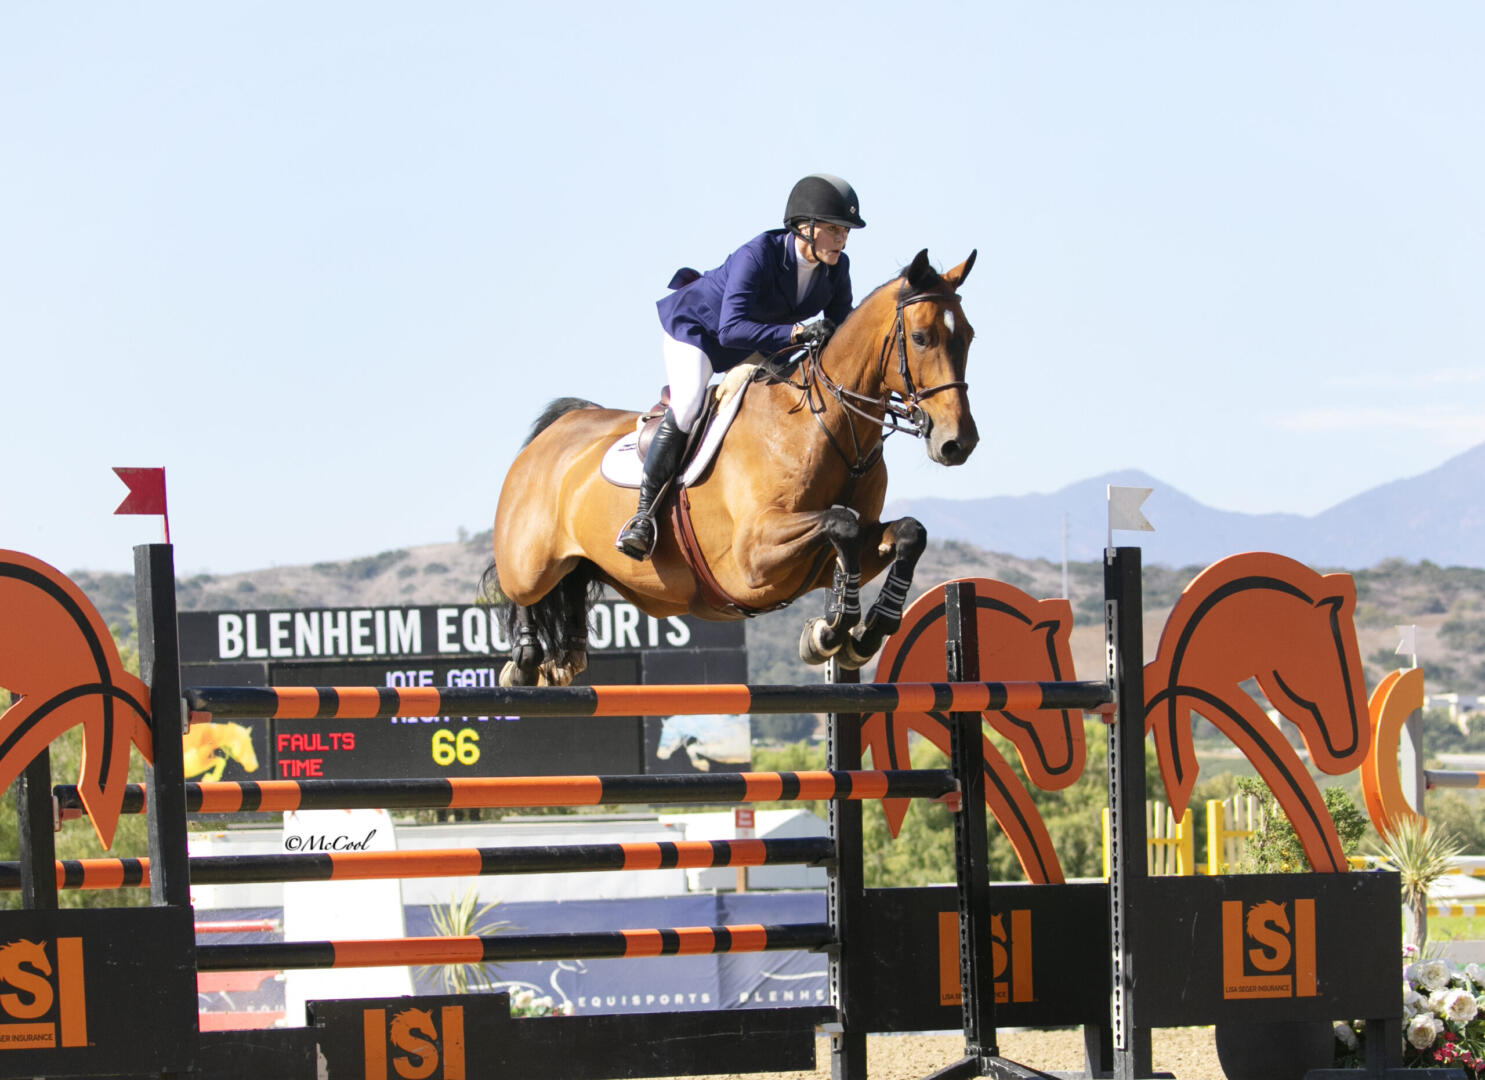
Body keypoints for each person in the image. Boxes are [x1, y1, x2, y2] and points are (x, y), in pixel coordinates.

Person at [615, 173, 866, 560]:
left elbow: (840, 330)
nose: (842, 239)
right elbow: (731, 329)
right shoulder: (758, 255)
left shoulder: (837, 268)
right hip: (700, 331)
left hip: (759, 343)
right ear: (805, 227)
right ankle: (643, 517)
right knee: (688, 406)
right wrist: (798, 333)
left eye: (845, 231)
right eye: (833, 229)